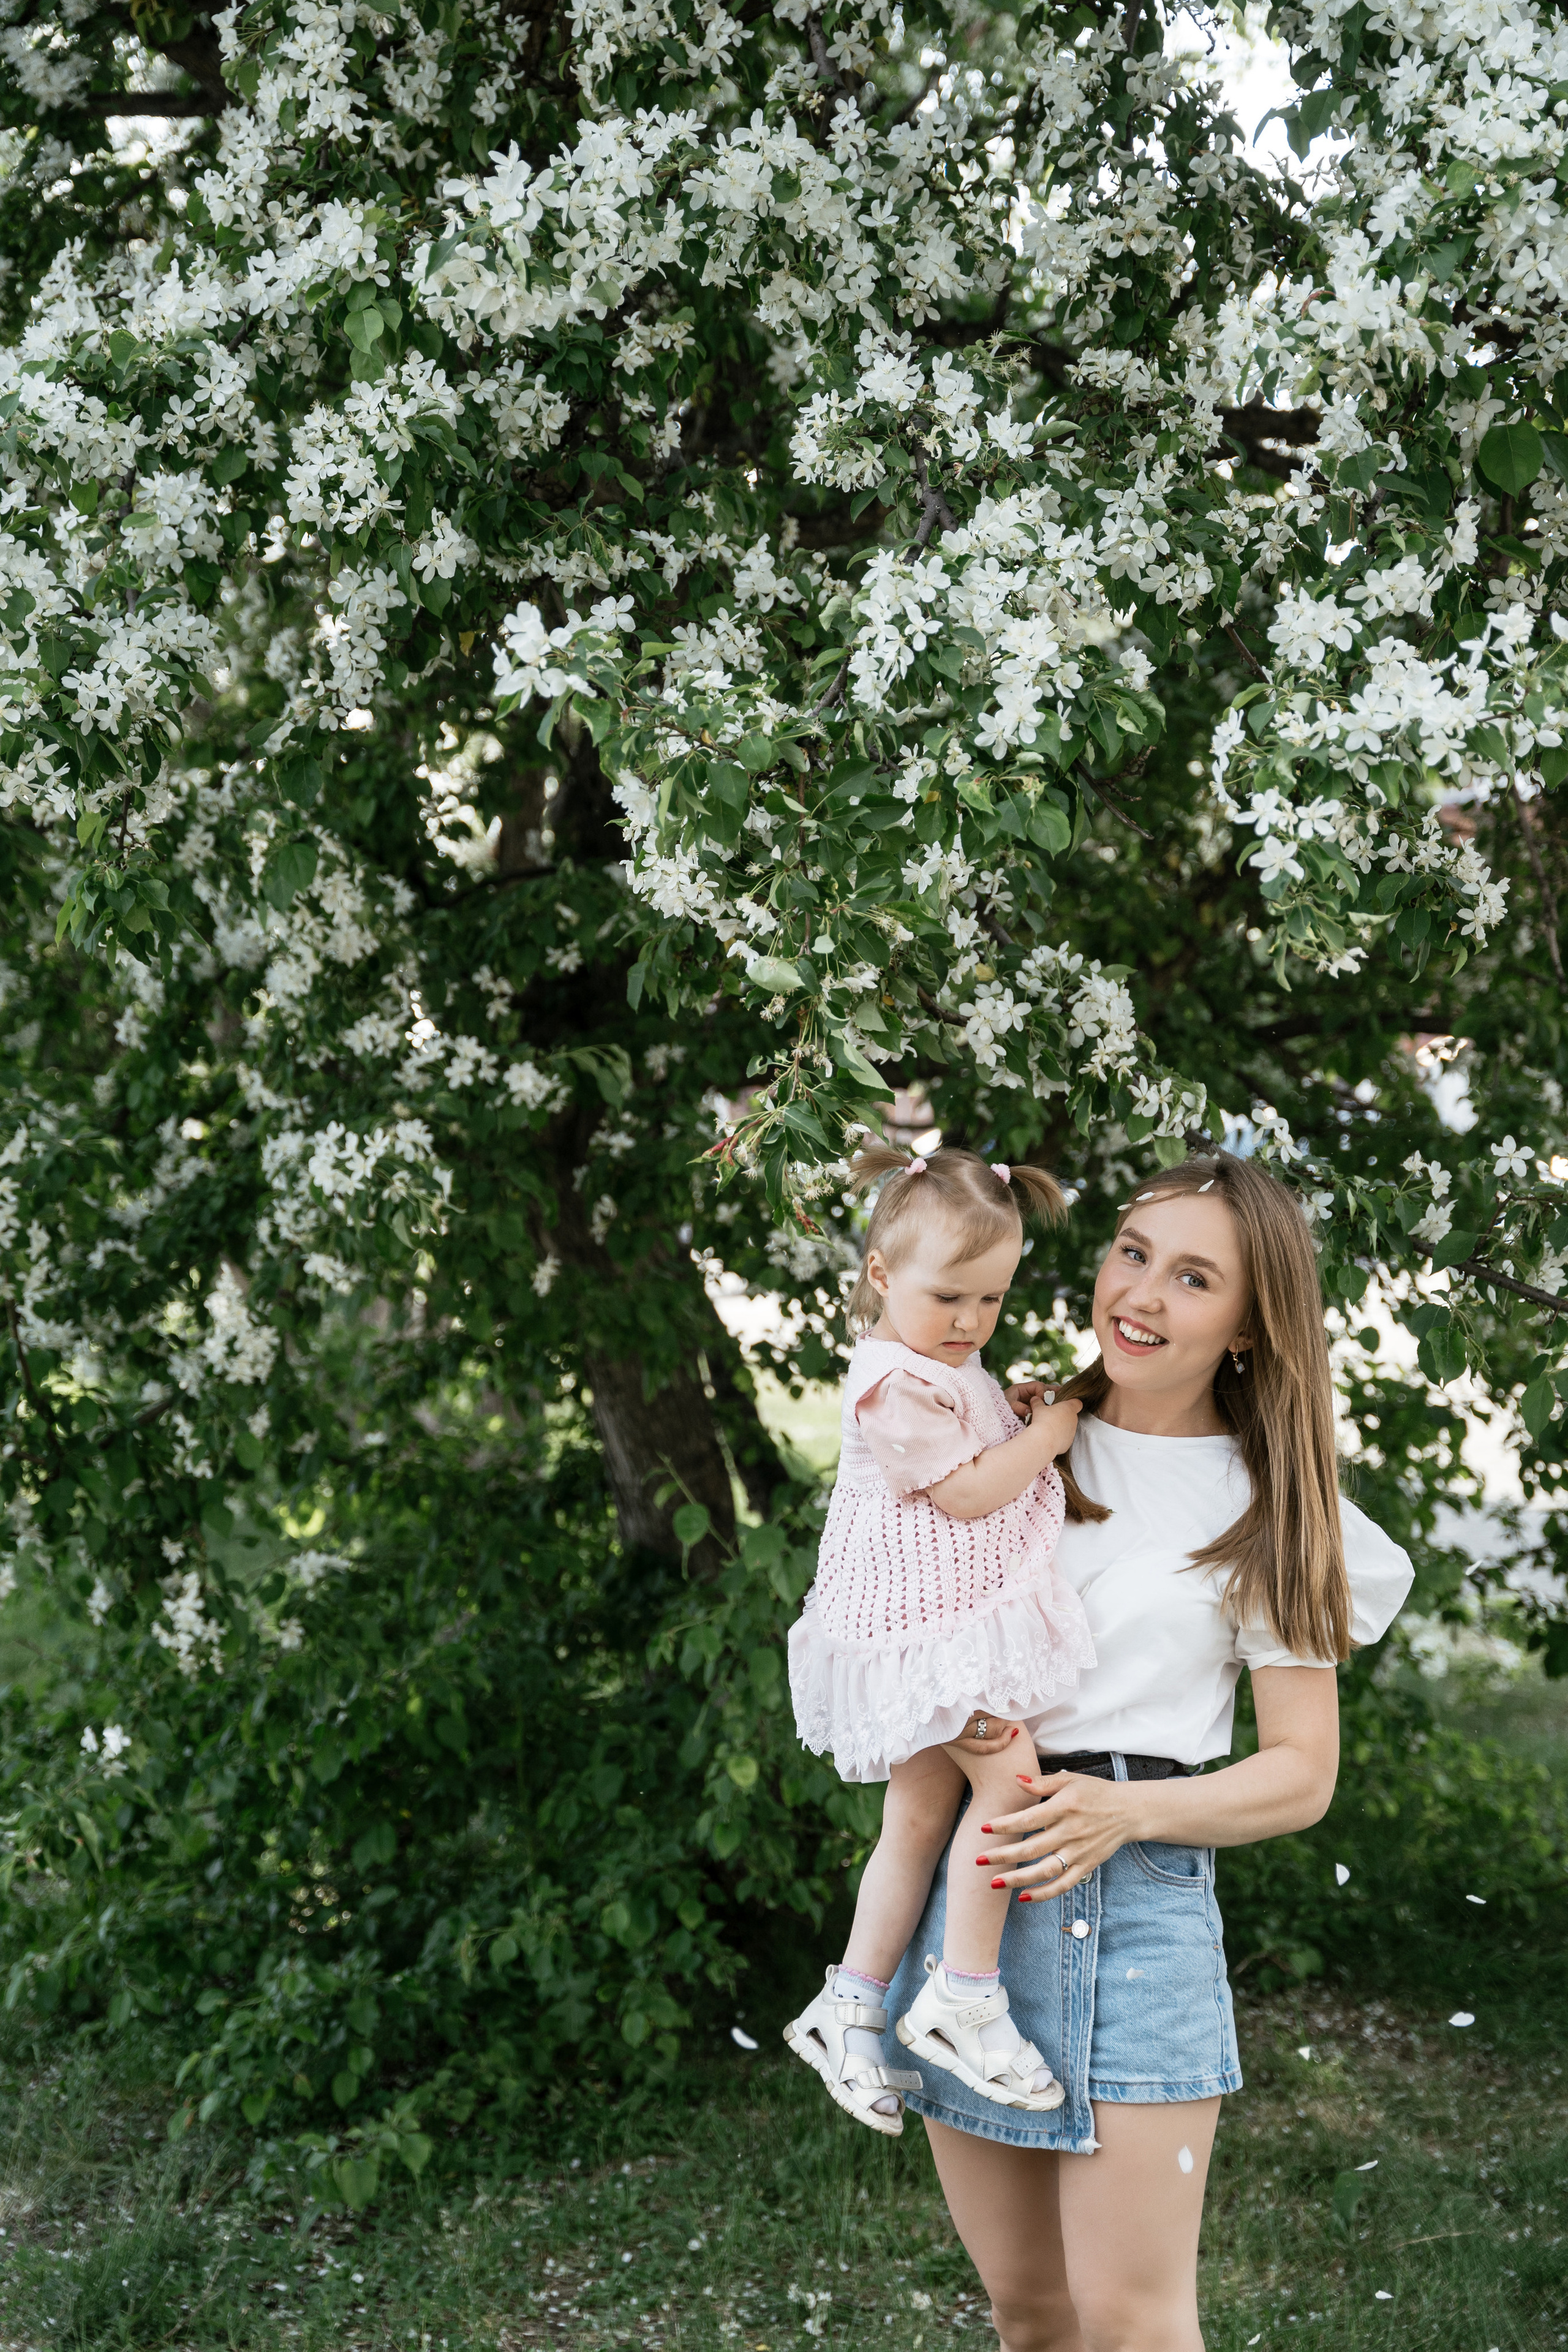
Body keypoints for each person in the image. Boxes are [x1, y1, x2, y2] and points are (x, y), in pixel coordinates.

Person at [870, 1150, 1414, 2352]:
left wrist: (1126, 1817)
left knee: (1130, 2325)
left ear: (1244, 1323)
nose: (1141, 1293)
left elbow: (1300, 1772)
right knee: (1031, 2315)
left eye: (1190, 1276)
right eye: (1131, 1251)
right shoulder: (1003, 1436)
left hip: (1141, 1912)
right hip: (976, 1910)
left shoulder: (1263, 1506)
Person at [783, 1146, 1095, 2132]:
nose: (970, 1324)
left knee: (918, 1816)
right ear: (880, 1275)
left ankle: (851, 2008)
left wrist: (1019, 1414)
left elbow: (979, 1444)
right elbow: (963, 1494)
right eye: (950, 1298)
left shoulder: (940, 1365)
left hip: (929, 1624)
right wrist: (1045, 1441)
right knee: (1013, 1779)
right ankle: (964, 1994)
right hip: (915, 1632)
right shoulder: (892, 1382)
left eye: (992, 1303)